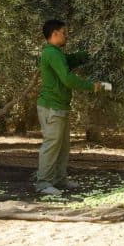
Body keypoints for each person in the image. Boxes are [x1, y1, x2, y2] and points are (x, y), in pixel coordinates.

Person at [35, 19, 103, 195]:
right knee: (51, 145)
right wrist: (90, 86)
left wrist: (85, 54)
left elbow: (68, 61)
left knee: (63, 146)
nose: (66, 36)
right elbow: (67, 77)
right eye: (64, 33)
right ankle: (43, 183)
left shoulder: (57, 53)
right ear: (55, 34)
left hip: (60, 107)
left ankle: (59, 179)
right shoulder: (51, 53)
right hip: (52, 107)